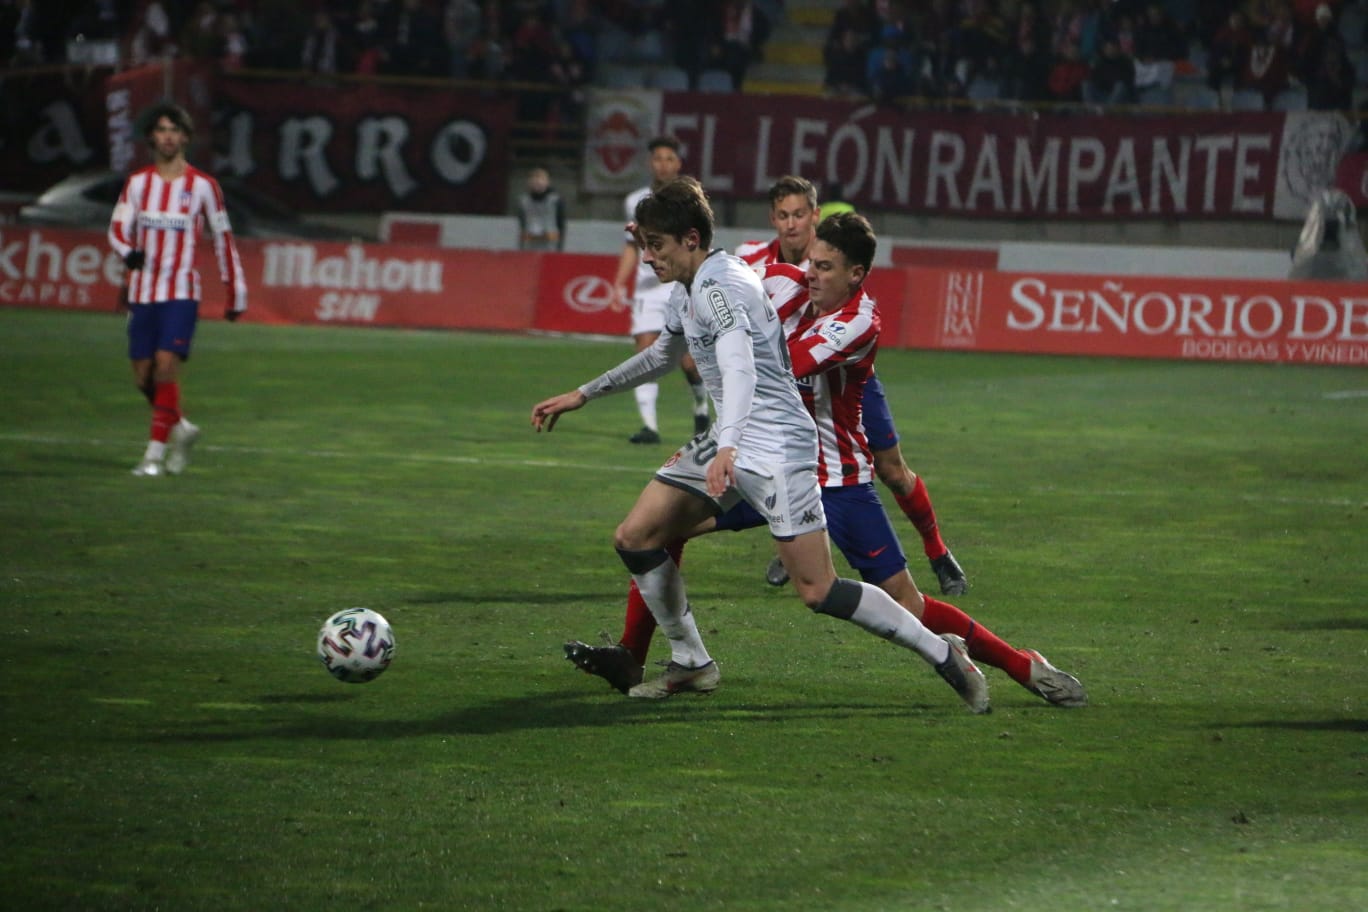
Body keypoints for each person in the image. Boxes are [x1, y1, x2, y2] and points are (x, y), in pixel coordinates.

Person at [564, 212, 1088, 709]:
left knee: (907, 604)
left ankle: (1023, 666)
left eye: (825, 267)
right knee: (658, 527)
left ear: (855, 274)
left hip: (832, 475)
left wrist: (727, 329)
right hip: (757, 455)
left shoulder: (858, 321)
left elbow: (779, 364)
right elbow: (732, 278)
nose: (810, 275)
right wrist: (669, 249)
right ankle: (653, 658)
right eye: (810, 262)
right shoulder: (788, 280)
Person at [735, 176, 969, 596]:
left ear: (814, 215)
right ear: (773, 219)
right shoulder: (753, 261)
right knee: (793, 460)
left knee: (892, 470)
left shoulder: (832, 254)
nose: (791, 225)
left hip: (838, 375)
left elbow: (844, 323)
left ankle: (937, 552)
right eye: (783, 216)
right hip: (791, 380)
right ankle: (802, 542)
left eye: (799, 214)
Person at [108, 101, 247, 478]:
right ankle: (181, 429)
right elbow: (117, 228)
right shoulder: (138, 184)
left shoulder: (204, 187)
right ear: (151, 137)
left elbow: (223, 238)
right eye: (162, 130)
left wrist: (237, 291)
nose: (168, 136)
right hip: (143, 292)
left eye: (175, 130)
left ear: (186, 137)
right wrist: (129, 252)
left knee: (166, 365)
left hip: (181, 292)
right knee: (143, 376)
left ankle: (153, 456)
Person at [611, 136, 710, 444]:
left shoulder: (690, 199)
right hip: (646, 288)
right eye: (658, 158)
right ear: (649, 163)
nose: (663, 164)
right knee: (644, 351)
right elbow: (631, 247)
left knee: (690, 361)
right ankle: (650, 427)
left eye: (669, 158)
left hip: (679, 284)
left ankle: (701, 406)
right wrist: (618, 283)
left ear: (678, 164)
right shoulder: (635, 201)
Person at [516, 167, 565, 251]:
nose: (537, 181)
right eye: (534, 178)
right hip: (529, 247)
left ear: (547, 182)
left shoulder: (556, 201)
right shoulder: (523, 201)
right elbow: (521, 225)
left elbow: (561, 225)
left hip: (550, 247)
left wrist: (559, 248)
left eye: (541, 178)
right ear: (529, 182)